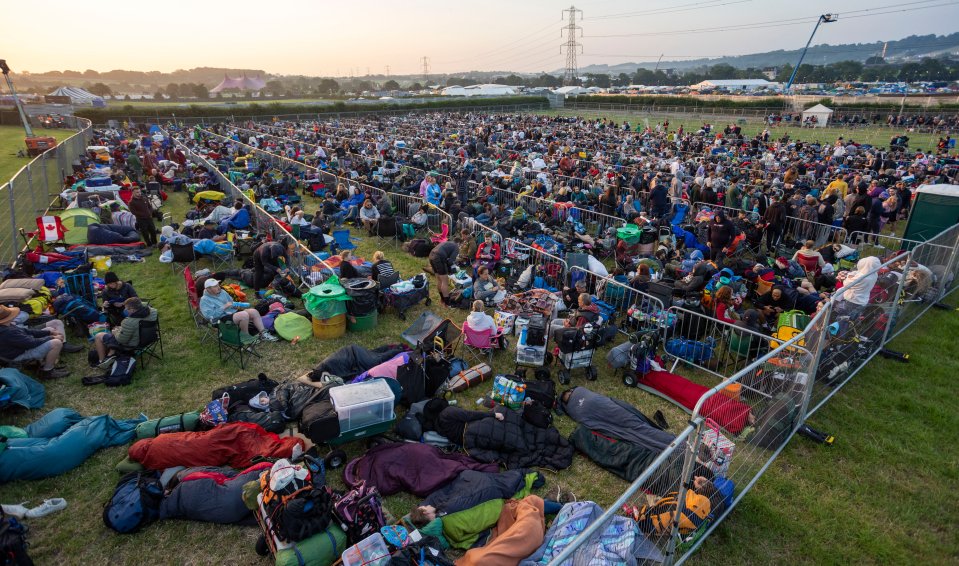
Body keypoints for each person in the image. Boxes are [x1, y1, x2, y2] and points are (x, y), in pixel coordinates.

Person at [0, 306, 71, 379]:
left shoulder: (6, 326)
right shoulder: (8, 332)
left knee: (50, 330)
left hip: (19, 350)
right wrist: (52, 337)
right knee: (56, 343)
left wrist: (49, 332)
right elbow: (31, 343)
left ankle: (45, 362)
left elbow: (27, 331)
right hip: (18, 356)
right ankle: (47, 371)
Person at [199, 279, 278, 344]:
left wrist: (234, 305)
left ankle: (263, 333)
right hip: (220, 320)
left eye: (218, 285)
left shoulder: (222, 292)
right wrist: (223, 307)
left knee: (254, 311)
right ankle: (246, 338)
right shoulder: (204, 300)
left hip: (232, 313)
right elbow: (210, 316)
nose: (218, 287)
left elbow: (231, 302)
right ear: (208, 289)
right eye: (215, 286)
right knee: (244, 315)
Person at [90, 297, 157, 366]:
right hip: (150, 338)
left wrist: (115, 332)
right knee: (119, 329)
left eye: (126, 308)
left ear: (133, 310)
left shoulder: (128, 322)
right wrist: (121, 329)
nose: (125, 310)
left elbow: (121, 340)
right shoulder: (153, 312)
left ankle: (102, 361)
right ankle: (111, 353)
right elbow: (135, 326)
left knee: (98, 336)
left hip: (134, 345)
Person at [428, 240, 460, 305]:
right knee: (445, 281)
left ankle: (442, 299)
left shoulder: (448, 243)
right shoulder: (456, 247)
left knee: (439, 280)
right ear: (459, 243)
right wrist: (450, 270)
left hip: (431, 255)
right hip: (438, 257)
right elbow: (450, 261)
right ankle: (447, 303)